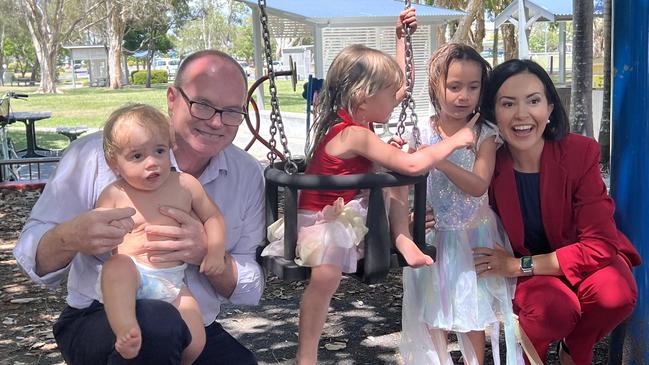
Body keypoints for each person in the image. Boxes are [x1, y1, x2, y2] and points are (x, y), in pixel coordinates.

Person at [13, 50, 265, 364]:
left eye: (231, 111)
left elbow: (249, 289)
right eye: (203, 105)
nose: (216, 121)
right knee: (156, 325)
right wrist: (70, 236)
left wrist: (207, 252)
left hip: (188, 315)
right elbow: (31, 260)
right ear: (173, 98)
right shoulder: (94, 156)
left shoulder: (246, 173)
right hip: (101, 315)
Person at [263, 41, 476, 364]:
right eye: (389, 95)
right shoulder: (354, 134)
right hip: (320, 222)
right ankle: (306, 355)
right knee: (327, 276)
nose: (397, 99)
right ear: (364, 96)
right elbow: (416, 166)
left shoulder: (359, 123)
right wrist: (455, 142)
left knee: (394, 167)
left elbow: (401, 86)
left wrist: (402, 38)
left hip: (352, 217)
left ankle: (402, 238)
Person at [477, 58, 640, 365]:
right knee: (552, 309)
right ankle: (529, 354)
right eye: (508, 103)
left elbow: (601, 245)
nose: (522, 114)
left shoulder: (580, 153)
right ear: (492, 114)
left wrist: (516, 265)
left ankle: (574, 349)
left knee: (616, 293)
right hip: (532, 284)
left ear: (550, 108)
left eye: (534, 101)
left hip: (574, 261)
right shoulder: (486, 164)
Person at [397, 43, 520, 365]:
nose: (463, 95)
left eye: (473, 87)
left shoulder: (484, 134)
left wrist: (437, 158)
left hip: (474, 236)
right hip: (435, 236)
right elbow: (404, 179)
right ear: (436, 85)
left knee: (472, 313)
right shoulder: (420, 130)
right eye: (454, 86)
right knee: (433, 310)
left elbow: (478, 184)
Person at [96, 104, 226, 362]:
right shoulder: (114, 194)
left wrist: (216, 251)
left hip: (172, 281)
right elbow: (96, 236)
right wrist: (109, 233)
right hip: (132, 273)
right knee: (116, 266)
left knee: (196, 339)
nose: (152, 162)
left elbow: (213, 217)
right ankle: (126, 329)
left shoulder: (184, 184)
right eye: (137, 156)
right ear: (115, 164)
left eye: (159, 151)